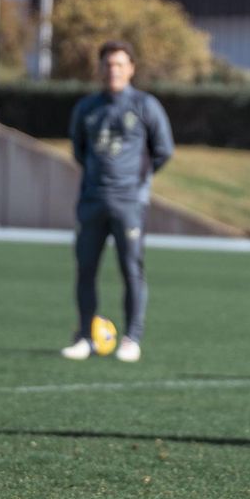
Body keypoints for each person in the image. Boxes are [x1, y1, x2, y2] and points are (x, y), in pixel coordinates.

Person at [61, 41, 174, 363]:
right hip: (92, 201)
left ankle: (131, 338)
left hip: (129, 203)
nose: (114, 70)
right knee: (86, 269)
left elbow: (163, 149)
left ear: (131, 69)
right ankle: (84, 336)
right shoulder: (87, 107)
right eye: (108, 64)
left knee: (131, 270)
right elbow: (78, 150)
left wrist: (138, 182)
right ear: (100, 69)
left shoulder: (145, 104)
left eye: (120, 64)